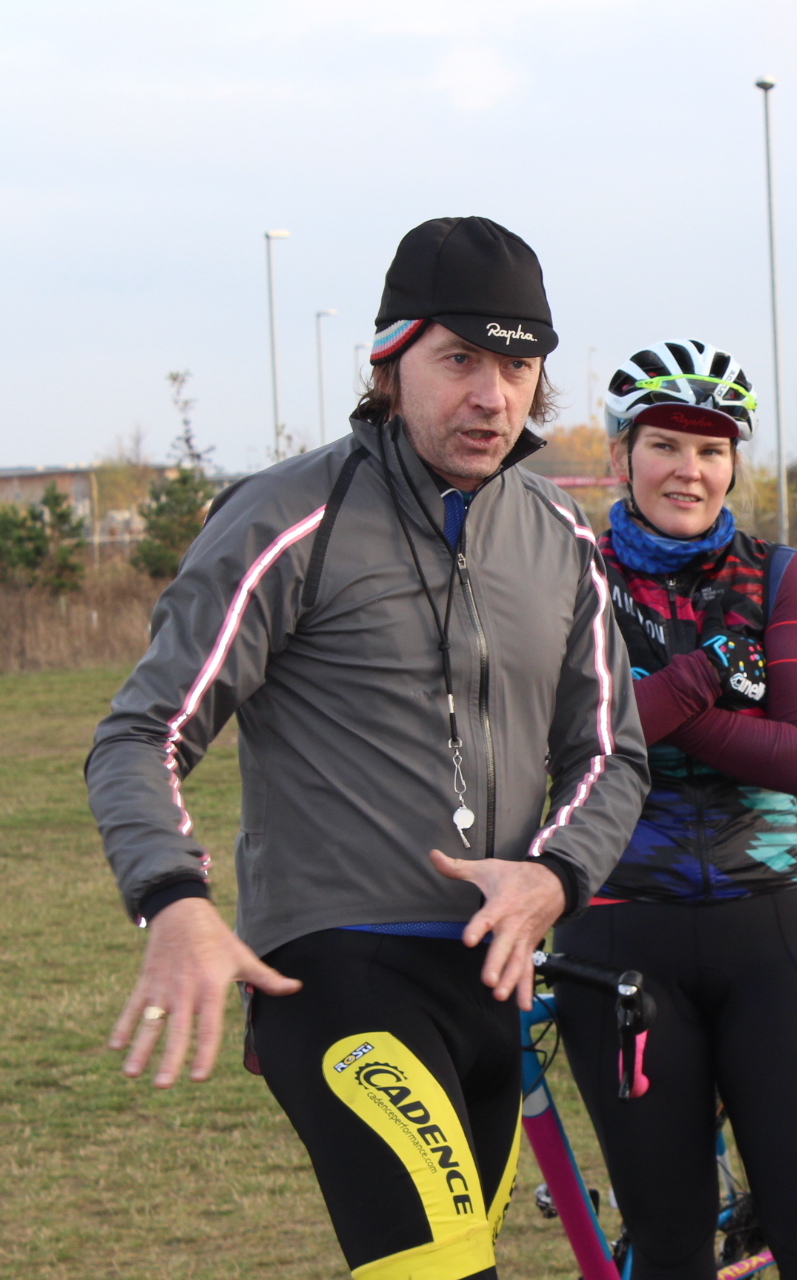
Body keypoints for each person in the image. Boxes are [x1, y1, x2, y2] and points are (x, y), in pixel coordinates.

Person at [87, 216, 650, 1280]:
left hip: (495, 984)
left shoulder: (559, 535)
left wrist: (555, 876)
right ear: (390, 360)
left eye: (518, 367)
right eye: (461, 360)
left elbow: (611, 753)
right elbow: (141, 731)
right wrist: (173, 896)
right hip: (338, 970)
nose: (493, 396)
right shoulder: (288, 519)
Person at [549, 339, 797, 1280]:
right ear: (621, 455)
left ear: (733, 465)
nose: (689, 469)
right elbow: (560, 748)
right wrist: (709, 676)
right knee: (669, 1246)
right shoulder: (569, 573)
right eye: (665, 445)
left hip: (772, 924)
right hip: (617, 926)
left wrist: (643, 703)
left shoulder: (780, 574)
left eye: (712, 449)